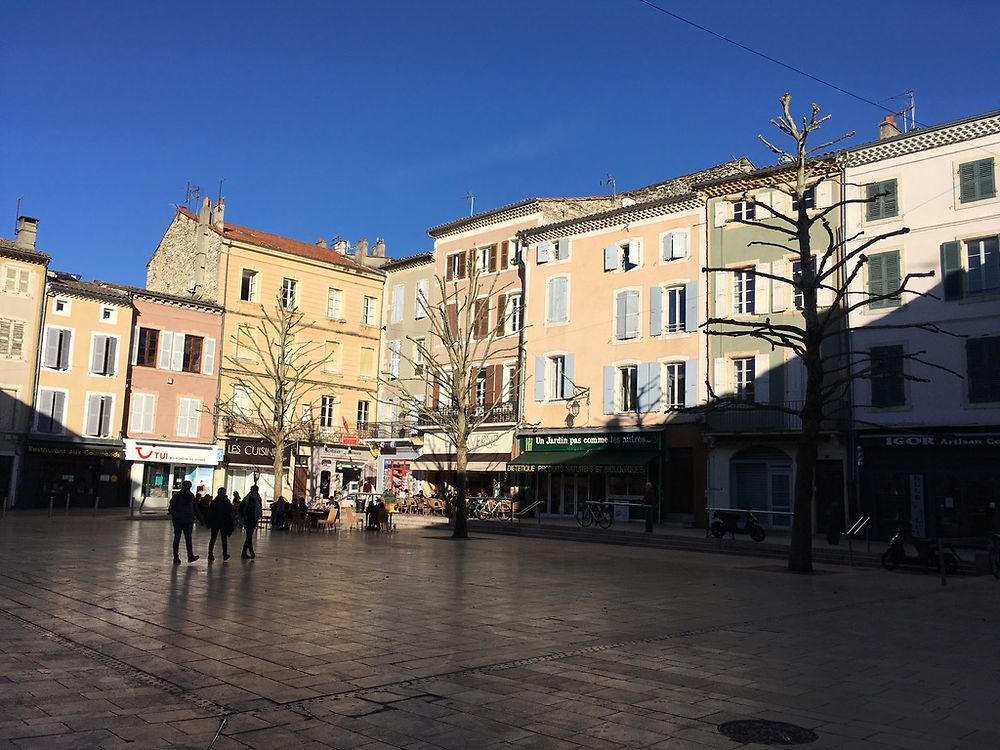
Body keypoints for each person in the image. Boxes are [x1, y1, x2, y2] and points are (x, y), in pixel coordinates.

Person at [168, 480, 200, 564]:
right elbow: (171, 508)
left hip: (188, 521)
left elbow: (195, 508)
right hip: (178, 521)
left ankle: (190, 556)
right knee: (177, 538)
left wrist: (201, 519)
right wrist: (178, 515)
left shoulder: (191, 496)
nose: (188, 488)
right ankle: (176, 557)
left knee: (188, 538)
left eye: (189, 486)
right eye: (187, 486)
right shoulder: (177, 496)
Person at [206, 487, 234, 561]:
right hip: (216, 522)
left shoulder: (225, 501)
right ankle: (211, 554)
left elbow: (231, 511)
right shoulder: (215, 502)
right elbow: (210, 513)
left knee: (223, 539)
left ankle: (224, 554)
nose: (222, 494)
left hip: (223, 522)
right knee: (214, 538)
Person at [241, 484, 263, 559]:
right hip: (247, 519)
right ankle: (246, 552)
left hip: (254, 519)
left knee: (249, 536)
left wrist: (259, 516)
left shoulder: (258, 499)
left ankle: (249, 552)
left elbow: (260, 507)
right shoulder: (247, 498)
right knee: (249, 535)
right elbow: (242, 508)